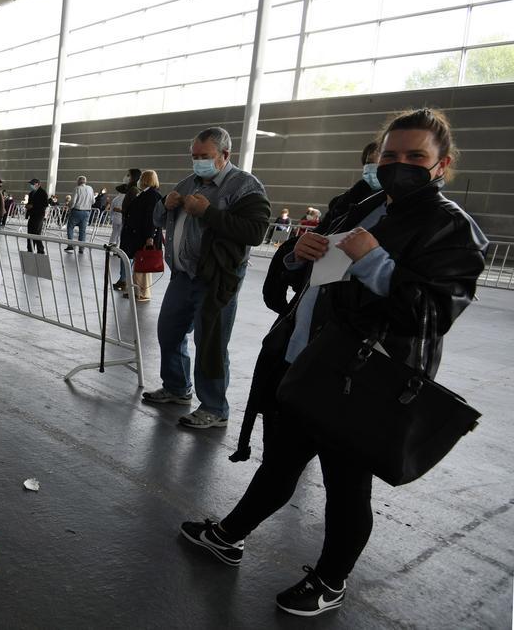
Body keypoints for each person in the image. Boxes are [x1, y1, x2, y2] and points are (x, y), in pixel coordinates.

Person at [181, 108, 488, 617]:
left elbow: (431, 315)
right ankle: (229, 535)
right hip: (307, 359)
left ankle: (331, 580)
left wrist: (374, 261)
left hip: (366, 378)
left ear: (442, 164)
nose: (399, 165)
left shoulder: (451, 228)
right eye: (390, 155)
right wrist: (297, 254)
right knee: (281, 460)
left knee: (347, 486)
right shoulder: (364, 204)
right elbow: (311, 265)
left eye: (416, 156)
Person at [143, 127, 271, 429]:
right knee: (169, 333)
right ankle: (177, 387)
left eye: (205, 156)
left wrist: (209, 212)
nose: (198, 161)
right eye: (194, 156)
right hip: (183, 276)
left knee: (211, 343)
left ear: (225, 155)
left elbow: (255, 231)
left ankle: (214, 407)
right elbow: (159, 220)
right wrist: (165, 205)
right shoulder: (188, 182)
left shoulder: (246, 187)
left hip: (217, 280)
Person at [119, 170, 162, 302]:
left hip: (144, 236)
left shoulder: (151, 195)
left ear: (145, 179)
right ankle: (136, 290)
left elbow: (151, 218)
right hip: (138, 235)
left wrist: (150, 237)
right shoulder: (146, 194)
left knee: (143, 264)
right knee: (139, 264)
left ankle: (142, 292)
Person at [64, 175, 95, 251]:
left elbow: (73, 201)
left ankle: (70, 245)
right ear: (85, 181)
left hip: (76, 211)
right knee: (82, 231)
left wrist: (69, 206)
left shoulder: (77, 188)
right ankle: (81, 248)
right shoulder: (90, 188)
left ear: (78, 182)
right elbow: (93, 201)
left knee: (70, 228)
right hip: (87, 212)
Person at [26, 178, 49, 254]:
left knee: (36, 232)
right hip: (32, 215)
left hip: (39, 215)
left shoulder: (43, 193)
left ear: (38, 184)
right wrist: (28, 207)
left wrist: (33, 206)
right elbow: (30, 203)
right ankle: (30, 249)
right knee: (30, 232)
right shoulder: (31, 193)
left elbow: (45, 204)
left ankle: (40, 249)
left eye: (33, 184)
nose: (31, 185)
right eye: (31, 184)